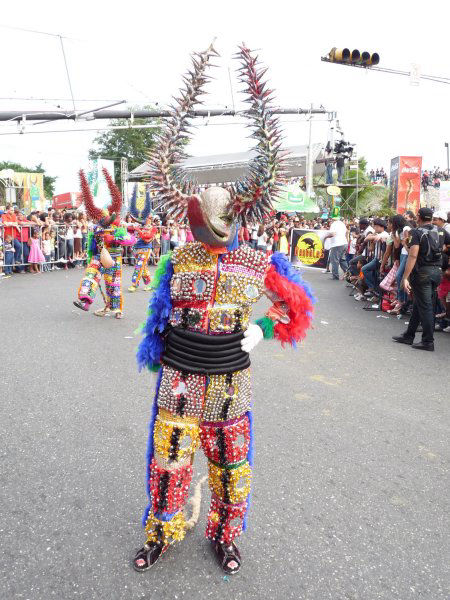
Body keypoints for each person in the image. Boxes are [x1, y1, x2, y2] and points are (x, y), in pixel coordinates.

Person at [133, 42, 315, 576]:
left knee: (231, 466)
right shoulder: (179, 256)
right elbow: (158, 314)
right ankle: (162, 530)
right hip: (180, 378)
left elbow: (294, 310)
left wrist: (259, 327)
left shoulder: (257, 261)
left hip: (231, 381)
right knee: (168, 462)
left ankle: (225, 535)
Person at [73, 169, 136, 319]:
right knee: (90, 276)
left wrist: (114, 239)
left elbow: (131, 239)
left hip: (114, 258)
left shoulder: (118, 228)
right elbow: (92, 244)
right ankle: (85, 302)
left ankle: (116, 309)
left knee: (113, 284)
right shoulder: (96, 228)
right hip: (98, 256)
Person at [393, 208, 443, 351]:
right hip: (437, 272)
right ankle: (409, 335)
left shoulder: (417, 232)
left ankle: (428, 341)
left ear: (419, 217)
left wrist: (405, 277)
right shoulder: (440, 231)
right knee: (419, 304)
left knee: (426, 307)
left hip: (423, 273)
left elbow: (413, 255)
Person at [128, 186, 155, 292]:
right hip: (137, 249)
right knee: (143, 267)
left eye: (149, 217)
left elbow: (146, 238)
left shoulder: (153, 228)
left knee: (139, 266)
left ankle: (134, 284)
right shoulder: (140, 226)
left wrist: (139, 231)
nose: (147, 218)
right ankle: (151, 283)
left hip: (146, 249)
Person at [360, 218, 390, 293]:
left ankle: (373, 288)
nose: (374, 228)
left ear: (381, 226)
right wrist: (374, 235)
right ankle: (374, 289)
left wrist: (374, 236)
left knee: (365, 269)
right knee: (372, 273)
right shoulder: (379, 234)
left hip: (380, 259)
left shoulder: (384, 234)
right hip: (376, 258)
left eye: (376, 226)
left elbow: (370, 238)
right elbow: (367, 239)